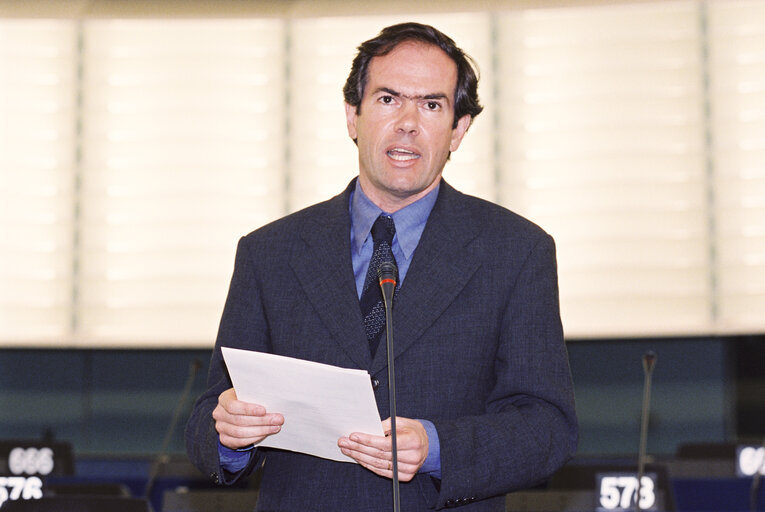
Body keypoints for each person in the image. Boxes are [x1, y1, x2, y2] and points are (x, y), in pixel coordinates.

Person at [185, 22, 577, 511]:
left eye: (431, 105)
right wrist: (228, 434)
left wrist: (436, 447)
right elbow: (208, 416)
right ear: (353, 115)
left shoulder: (515, 251)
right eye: (389, 99)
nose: (408, 122)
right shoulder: (270, 252)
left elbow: (546, 426)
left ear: (458, 129)